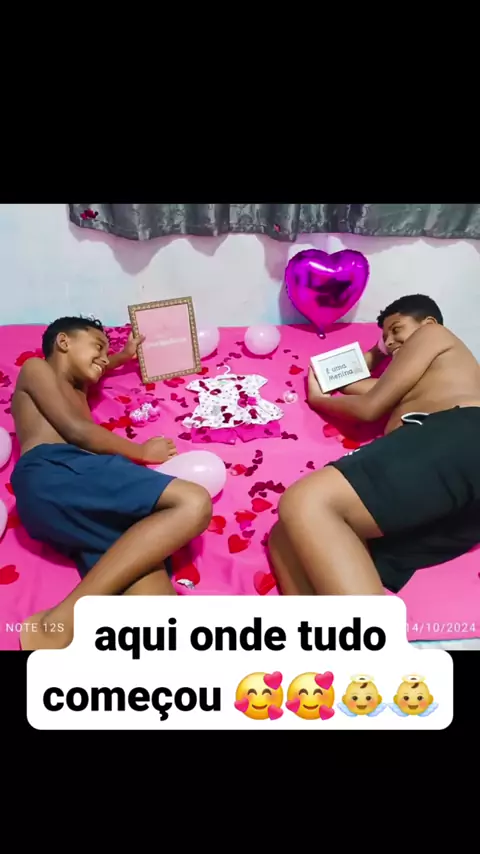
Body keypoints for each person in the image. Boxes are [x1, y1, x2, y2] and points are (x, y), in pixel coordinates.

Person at [11, 316, 212, 651]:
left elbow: (100, 370)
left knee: (160, 614)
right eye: (98, 346)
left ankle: (63, 638)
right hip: (53, 470)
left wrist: (123, 356)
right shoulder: (36, 369)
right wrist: (142, 452)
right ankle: (64, 618)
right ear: (63, 342)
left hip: (73, 504)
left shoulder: (79, 389)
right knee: (193, 502)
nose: (104, 358)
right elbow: (77, 430)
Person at [269, 294, 480, 596]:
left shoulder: (433, 334)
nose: (390, 341)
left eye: (397, 329)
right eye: (385, 337)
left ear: (428, 322)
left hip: (458, 435)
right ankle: (318, 625)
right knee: (287, 533)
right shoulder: (412, 382)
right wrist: (379, 352)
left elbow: (369, 407)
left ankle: (372, 626)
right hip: (448, 486)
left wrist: (319, 401)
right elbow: (335, 378)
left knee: (307, 501)